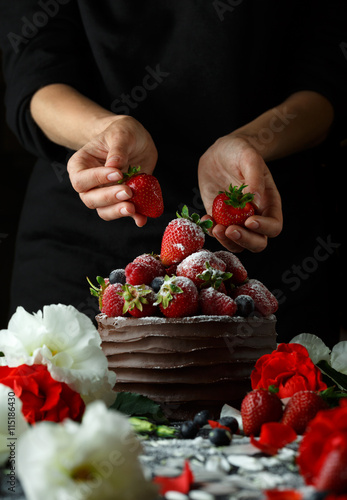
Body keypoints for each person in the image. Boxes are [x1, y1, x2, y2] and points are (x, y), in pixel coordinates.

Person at [0, 1, 346, 347]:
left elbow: (326, 77)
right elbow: (35, 69)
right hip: (82, 243)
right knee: (45, 396)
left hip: (268, 242)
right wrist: (105, 130)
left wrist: (254, 141)